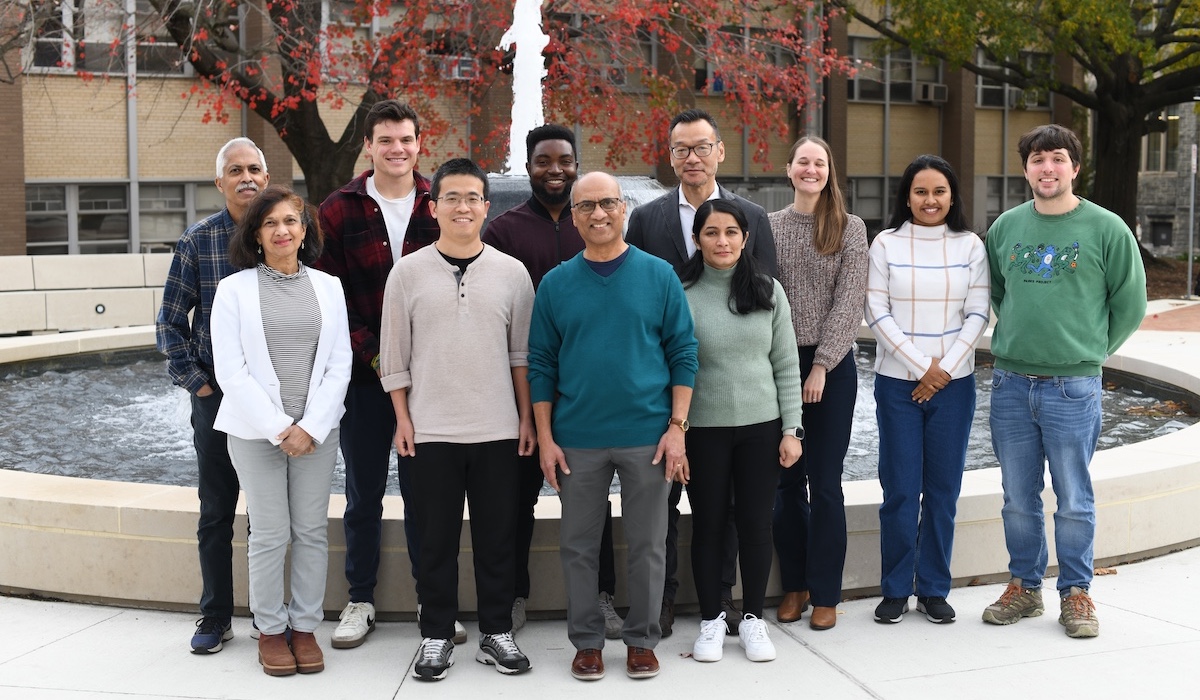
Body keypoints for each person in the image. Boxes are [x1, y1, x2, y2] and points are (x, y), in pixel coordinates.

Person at [529, 172, 698, 681]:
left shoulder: (659, 275)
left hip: (648, 435)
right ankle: (586, 642)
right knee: (578, 546)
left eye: (607, 204)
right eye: (586, 207)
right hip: (577, 437)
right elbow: (541, 365)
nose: (598, 214)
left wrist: (677, 428)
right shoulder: (556, 283)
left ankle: (642, 641)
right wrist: (545, 439)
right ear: (573, 215)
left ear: (624, 208)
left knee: (649, 544)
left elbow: (683, 353)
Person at [982, 124, 1146, 638]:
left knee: (1073, 496)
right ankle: (1024, 587)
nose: (1046, 168)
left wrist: (1089, 353)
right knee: (1016, 496)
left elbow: (1130, 304)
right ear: (1025, 168)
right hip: (1011, 385)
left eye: (1057, 159)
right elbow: (999, 293)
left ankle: (1076, 593)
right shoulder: (1006, 227)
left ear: (1075, 168)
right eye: (1036, 159)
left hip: (1072, 389)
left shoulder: (1106, 228)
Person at [314, 100, 467, 648]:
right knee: (363, 493)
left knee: (428, 495)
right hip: (365, 379)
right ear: (369, 146)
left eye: (406, 139)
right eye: (386, 140)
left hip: (432, 380)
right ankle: (361, 598)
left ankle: (433, 602)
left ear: (419, 144)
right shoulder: (339, 210)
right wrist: (381, 360)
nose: (396, 149)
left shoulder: (441, 203)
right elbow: (332, 298)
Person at [380, 158, 535, 681]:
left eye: (473, 197)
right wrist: (402, 418)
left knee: (497, 537)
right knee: (434, 540)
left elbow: (521, 358)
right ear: (434, 206)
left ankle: (495, 632)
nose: (463, 206)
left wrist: (526, 422)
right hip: (429, 432)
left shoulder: (513, 274)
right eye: (452, 197)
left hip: (497, 431)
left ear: (487, 207)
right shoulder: (406, 273)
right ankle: (436, 635)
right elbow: (394, 357)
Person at [627, 108, 776, 635]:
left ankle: (726, 597)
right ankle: (662, 599)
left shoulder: (752, 218)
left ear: (720, 151)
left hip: (736, 404)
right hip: (659, 390)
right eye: (680, 150)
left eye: (701, 147)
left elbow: (764, 303)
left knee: (732, 507)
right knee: (659, 502)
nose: (691, 158)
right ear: (670, 157)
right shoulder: (645, 220)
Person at [482, 123, 625, 639]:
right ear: (528, 165)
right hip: (528, 388)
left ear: (577, 163)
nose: (555, 170)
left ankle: (602, 596)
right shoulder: (503, 231)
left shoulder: (597, 222)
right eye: (544, 161)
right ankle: (514, 596)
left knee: (591, 503)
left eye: (565, 160)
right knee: (515, 500)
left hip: (589, 391)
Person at [211, 185, 352, 676]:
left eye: (291, 220)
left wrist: (309, 426)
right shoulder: (233, 290)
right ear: (255, 234)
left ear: (305, 228)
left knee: (311, 531)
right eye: (270, 223)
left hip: (317, 432)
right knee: (270, 533)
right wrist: (279, 429)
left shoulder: (329, 287)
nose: (282, 230)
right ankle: (270, 630)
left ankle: (306, 626)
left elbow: (340, 364)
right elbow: (231, 372)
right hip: (254, 433)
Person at [864, 155, 990, 625]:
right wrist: (922, 368)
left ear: (952, 196)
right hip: (899, 384)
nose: (930, 200)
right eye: (920, 192)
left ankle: (934, 588)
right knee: (899, 489)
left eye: (939, 191)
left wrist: (945, 369)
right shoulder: (886, 243)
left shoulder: (970, 245)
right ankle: (895, 589)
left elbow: (978, 313)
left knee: (942, 491)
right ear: (907, 196)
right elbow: (876, 311)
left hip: (954, 387)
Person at [156, 137, 269, 654]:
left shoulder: (287, 235)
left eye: (255, 169)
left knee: (275, 516)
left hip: (280, 402)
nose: (247, 177)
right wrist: (199, 385)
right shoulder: (198, 241)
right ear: (219, 182)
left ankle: (277, 617)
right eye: (236, 170)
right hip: (218, 400)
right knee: (218, 510)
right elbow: (171, 326)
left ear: (266, 179)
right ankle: (215, 615)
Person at [680, 199, 803, 663]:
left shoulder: (768, 290)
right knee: (709, 525)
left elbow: (786, 365)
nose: (722, 241)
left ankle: (753, 618)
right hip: (703, 430)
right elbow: (669, 367)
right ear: (697, 239)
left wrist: (792, 429)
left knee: (755, 524)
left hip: (762, 428)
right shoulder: (680, 292)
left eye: (731, 232)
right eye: (711, 232)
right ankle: (712, 618)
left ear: (745, 237)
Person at [769, 135, 868, 631]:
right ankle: (795, 585)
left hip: (831, 369)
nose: (811, 169)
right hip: (779, 367)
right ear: (789, 170)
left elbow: (850, 302)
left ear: (830, 171)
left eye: (820, 163)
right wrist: (790, 367)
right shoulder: (767, 228)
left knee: (825, 484)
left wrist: (822, 365)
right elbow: (765, 302)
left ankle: (826, 591)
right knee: (787, 483)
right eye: (803, 162)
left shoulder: (850, 228)